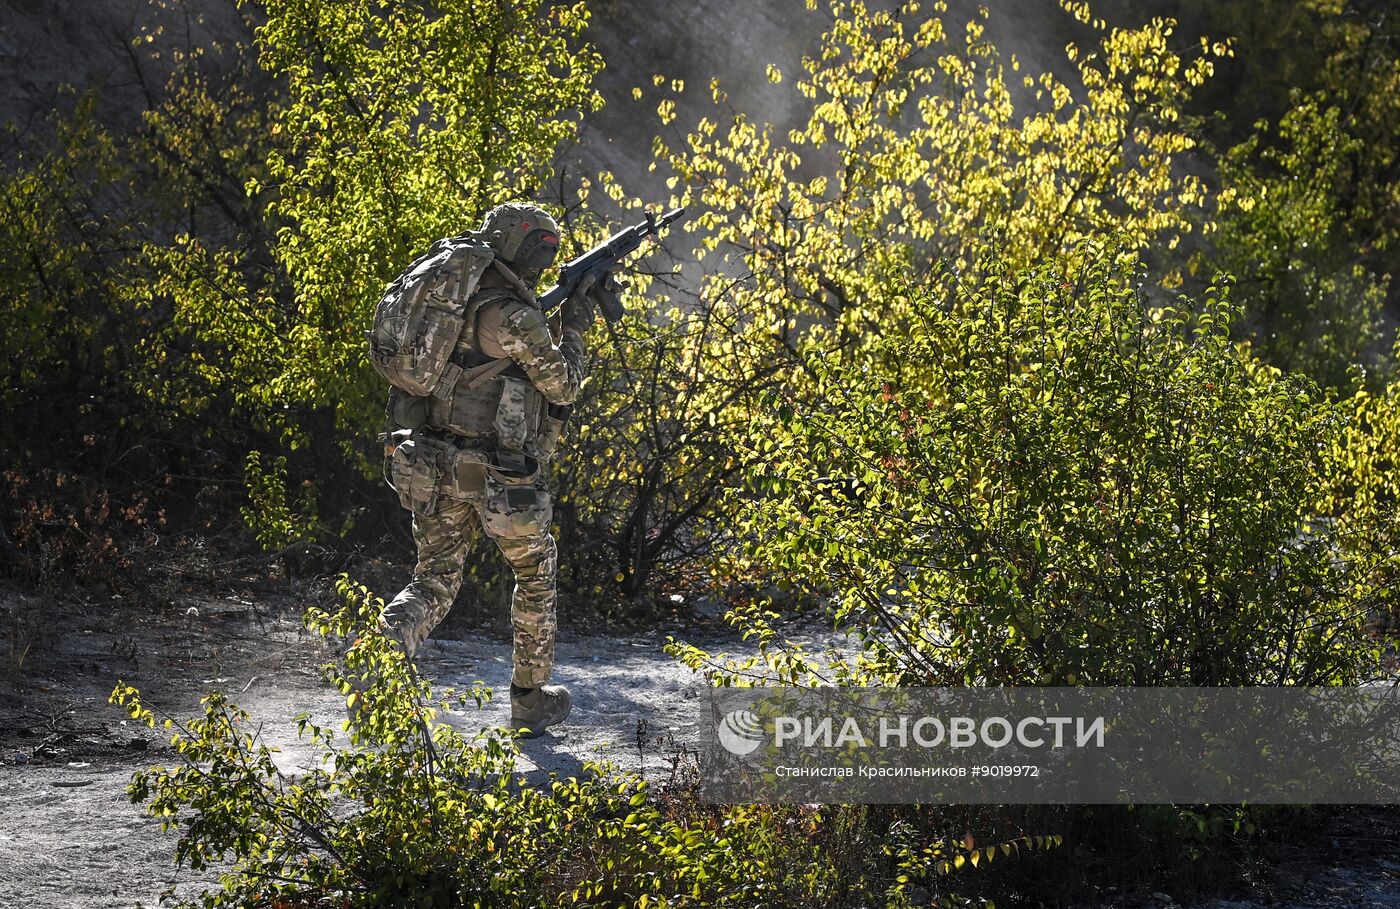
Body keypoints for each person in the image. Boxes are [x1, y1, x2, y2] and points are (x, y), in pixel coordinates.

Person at [378, 201, 600, 738]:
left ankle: (378, 662)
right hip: (502, 477)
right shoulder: (515, 315)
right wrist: (577, 326)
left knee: (433, 580)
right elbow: (564, 384)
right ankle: (529, 699)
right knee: (535, 576)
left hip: (434, 462)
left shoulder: (450, 303)